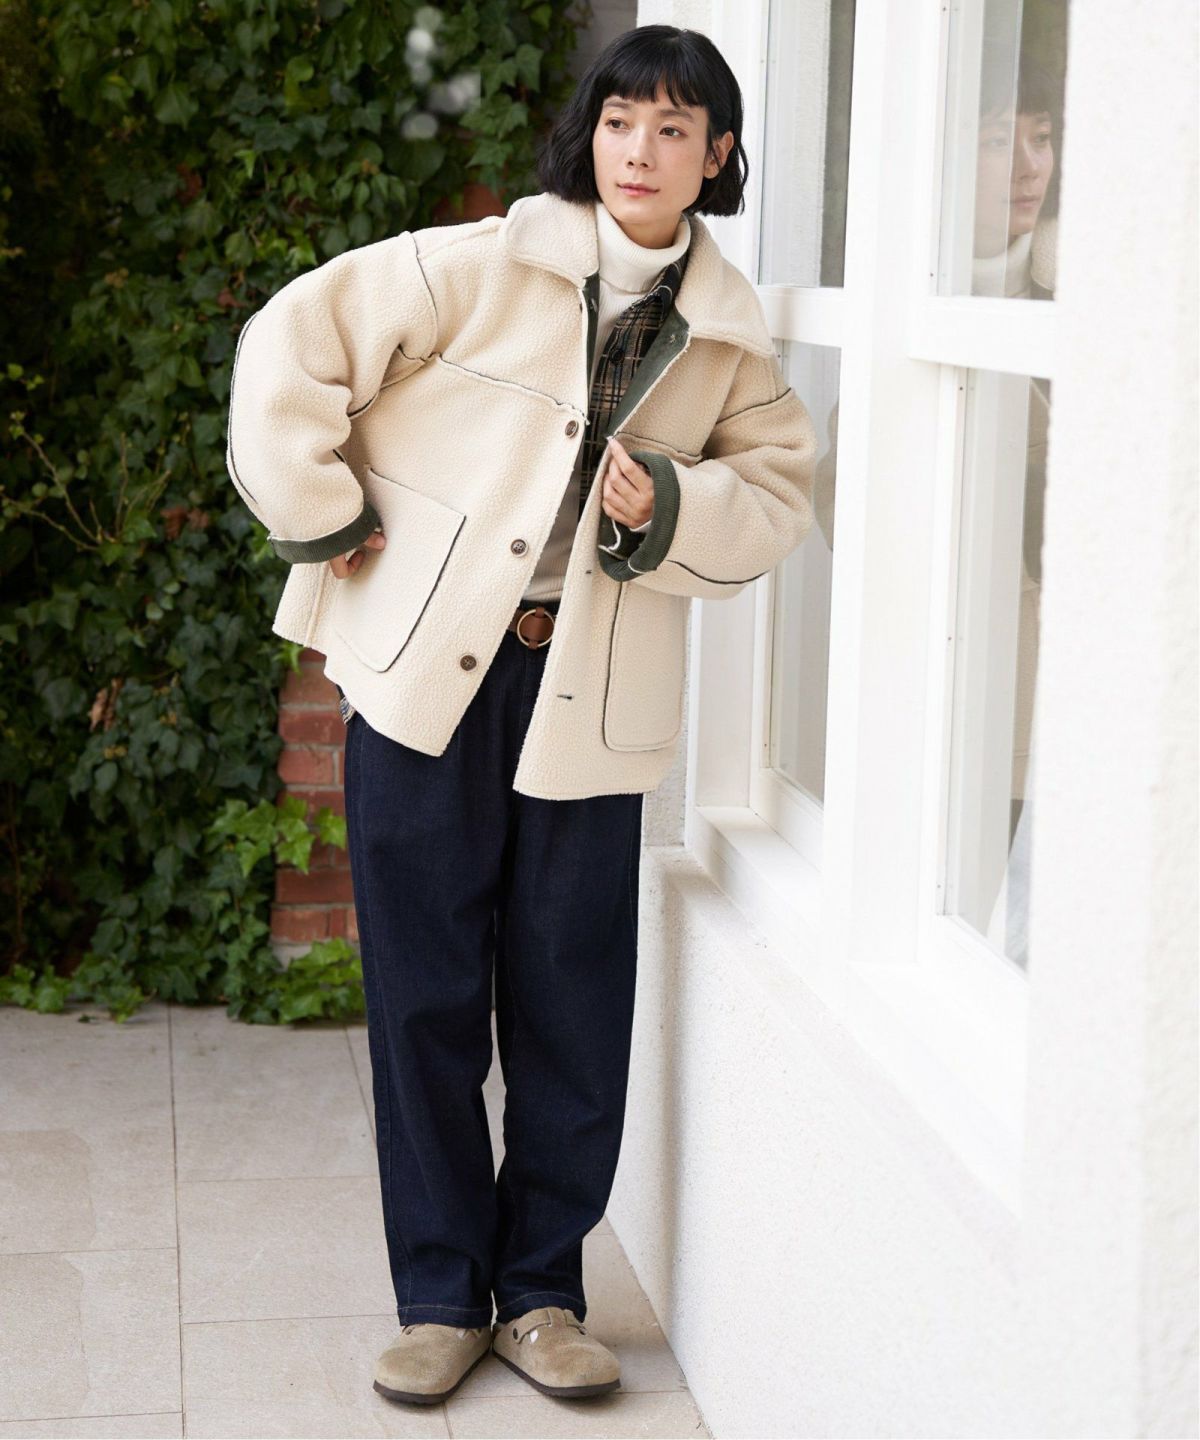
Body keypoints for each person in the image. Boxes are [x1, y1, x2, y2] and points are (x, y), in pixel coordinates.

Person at [224, 23, 816, 1407]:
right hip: (427, 682)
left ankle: (543, 1293)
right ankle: (440, 1297)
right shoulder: (480, 265)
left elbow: (781, 491)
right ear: (590, 136)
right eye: (620, 122)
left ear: (717, 157)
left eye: (674, 129)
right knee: (424, 993)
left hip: (589, 697)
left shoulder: (730, 336)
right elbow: (289, 342)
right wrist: (327, 512)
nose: (640, 151)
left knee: (571, 999)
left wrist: (675, 505)